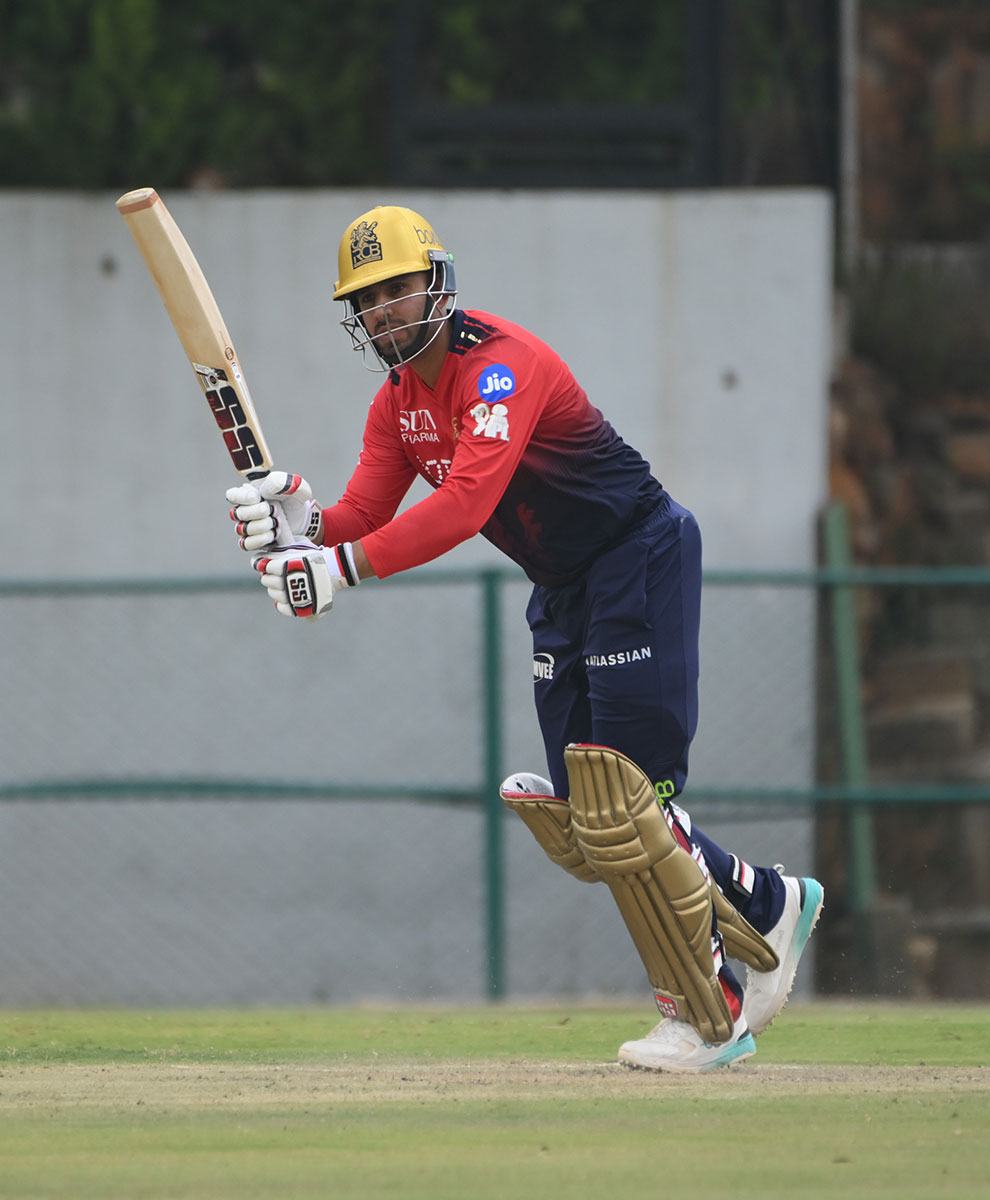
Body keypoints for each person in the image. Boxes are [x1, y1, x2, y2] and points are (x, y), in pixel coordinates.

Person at [224, 205, 823, 1073]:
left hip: (637, 556)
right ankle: (769, 904)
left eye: (397, 287)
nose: (386, 310)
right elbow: (358, 518)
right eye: (368, 300)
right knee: (593, 817)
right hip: (563, 586)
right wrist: (298, 527)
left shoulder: (501, 367)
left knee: (627, 800)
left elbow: (464, 506)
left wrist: (341, 568)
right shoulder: (395, 406)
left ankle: (708, 1011)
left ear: (437, 279)